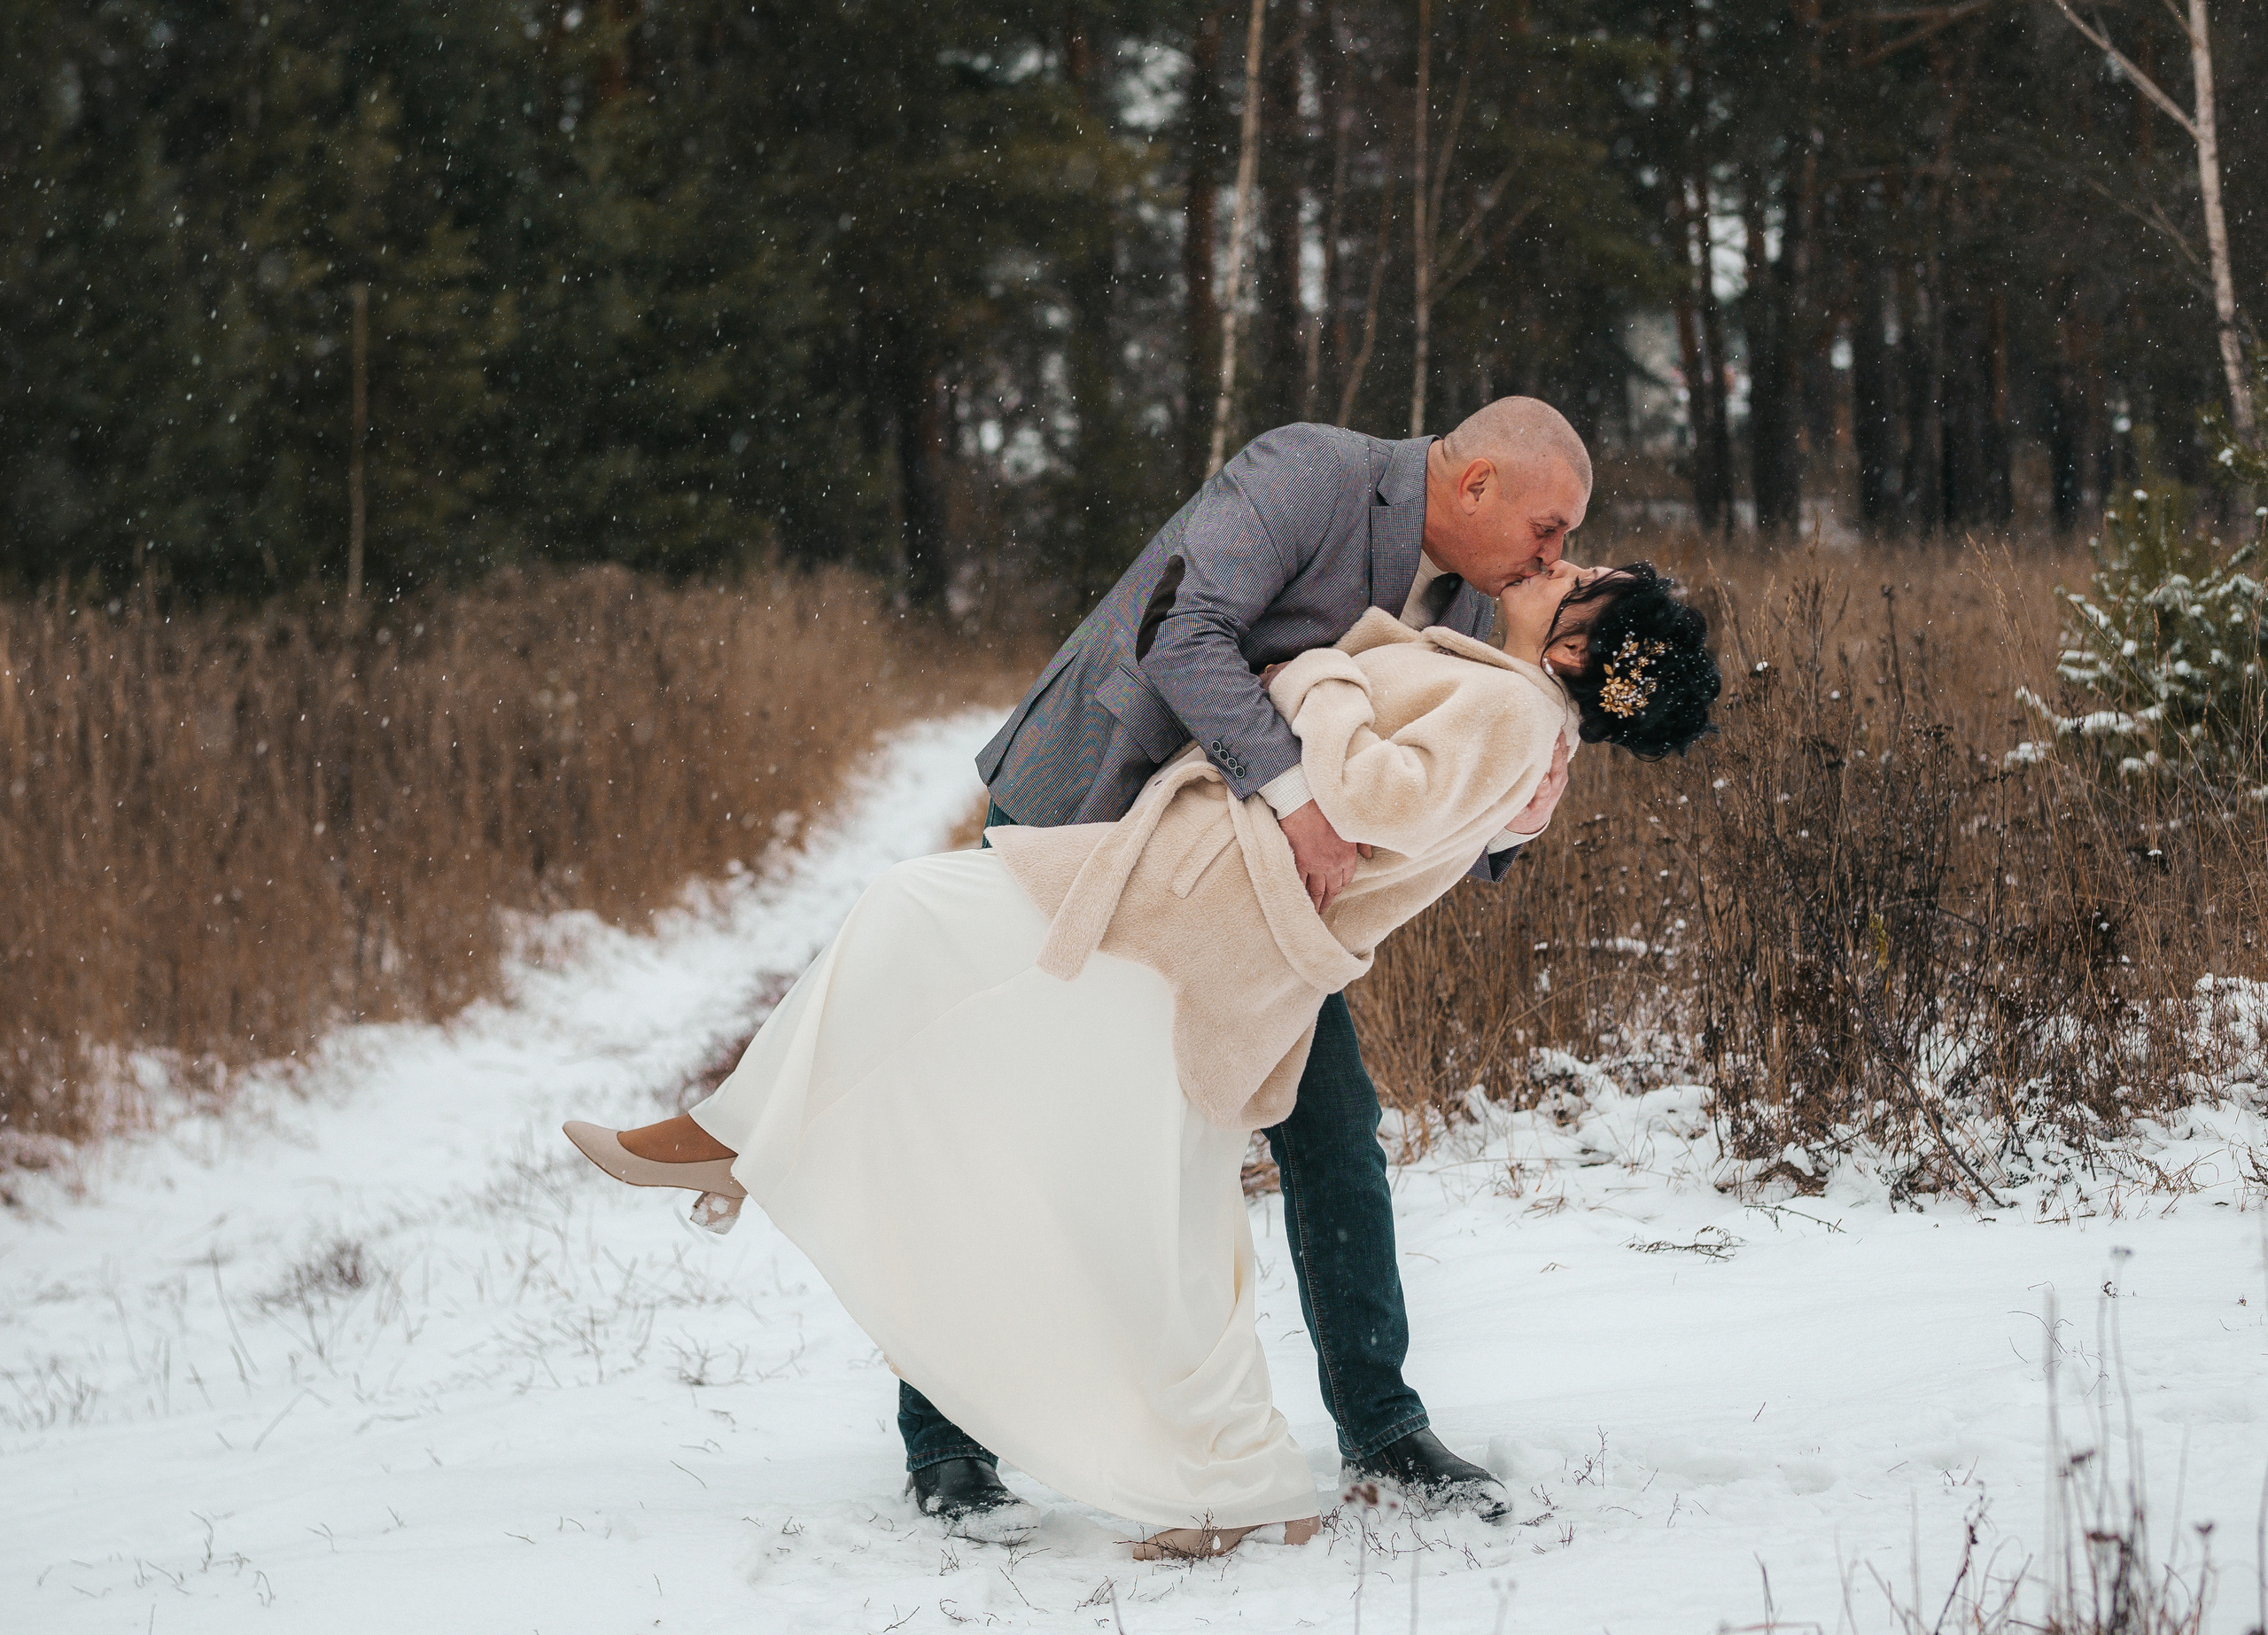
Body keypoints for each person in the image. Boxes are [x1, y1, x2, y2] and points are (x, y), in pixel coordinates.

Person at [563, 523, 1720, 1558]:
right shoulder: (1510, 703)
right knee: (1169, 1197)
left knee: (914, 918)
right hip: (1203, 904)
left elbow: (1369, 794)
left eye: (1578, 577)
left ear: (1576, 651)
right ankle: (1232, 1484)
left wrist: (1317, 672)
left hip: (1198, 907)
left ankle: (740, 1136)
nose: (1555, 563)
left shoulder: (1518, 714)